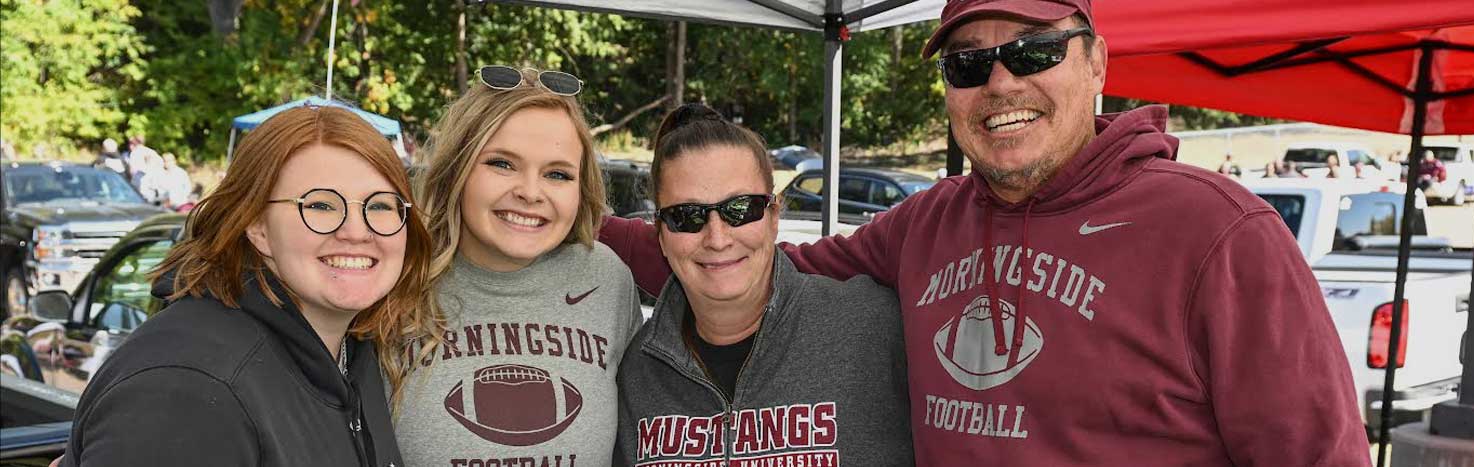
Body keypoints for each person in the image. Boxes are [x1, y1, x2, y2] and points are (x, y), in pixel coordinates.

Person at [599, 0, 1370, 464]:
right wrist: (572, 226)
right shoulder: (928, 223)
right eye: (969, 66)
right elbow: (747, 255)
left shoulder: (1219, 233)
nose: (999, 82)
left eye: (1032, 50)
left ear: (1097, 61)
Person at [57, 105, 430, 466]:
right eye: (319, 206)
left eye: (380, 206)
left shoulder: (355, 354)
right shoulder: (187, 389)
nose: (355, 231)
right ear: (257, 225)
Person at [611, 104, 913, 466]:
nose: (717, 238)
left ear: (773, 217)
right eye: (686, 216)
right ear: (660, 234)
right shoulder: (639, 372)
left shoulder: (874, 326)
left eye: (741, 209)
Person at [394, 65, 640, 466]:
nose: (529, 192)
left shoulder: (605, 279)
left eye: (557, 174)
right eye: (502, 164)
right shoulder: (398, 278)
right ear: (458, 168)